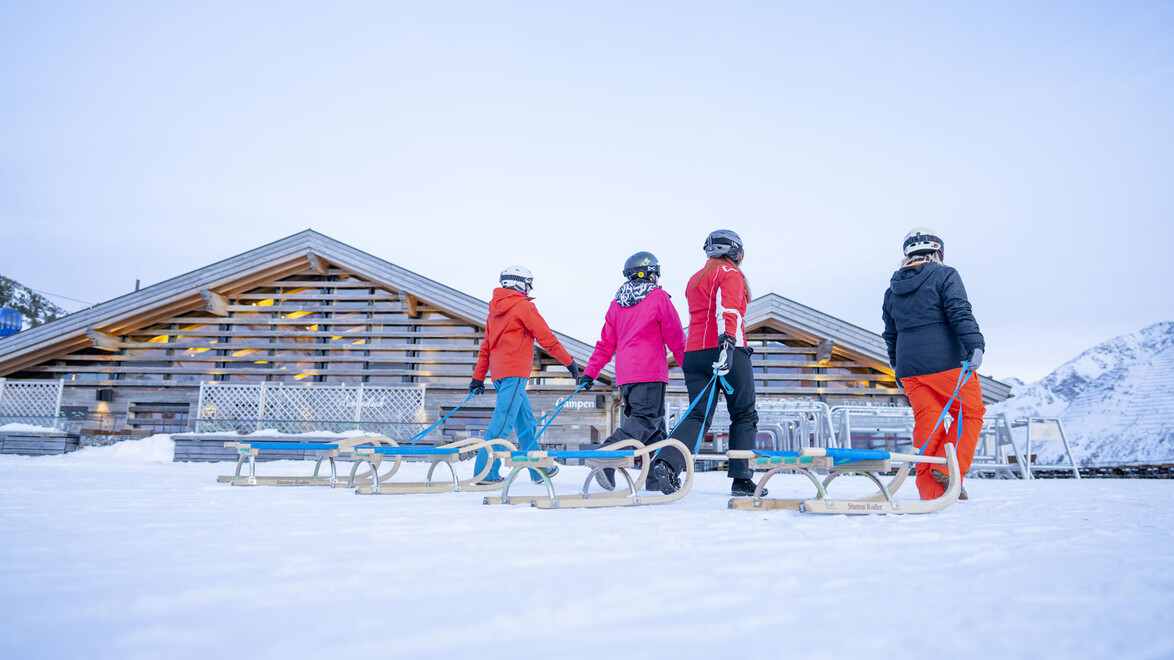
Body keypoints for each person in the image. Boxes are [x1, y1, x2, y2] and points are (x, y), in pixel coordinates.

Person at [882, 227, 986, 500]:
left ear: (907, 255)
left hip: (909, 368)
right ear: (938, 252)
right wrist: (975, 344)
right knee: (970, 414)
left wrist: (896, 367)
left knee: (928, 425)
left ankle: (931, 491)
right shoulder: (945, 274)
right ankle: (950, 472)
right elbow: (959, 310)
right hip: (946, 361)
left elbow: (890, 334)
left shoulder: (892, 290)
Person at [662, 230, 766, 497]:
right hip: (725, 350)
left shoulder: (695, 278)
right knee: (744, 414)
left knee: (698, 414)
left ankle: (666, 464)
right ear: (735, 252)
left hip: (694, 353)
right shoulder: (730, 275)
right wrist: (728, 344)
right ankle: (741, 480)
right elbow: (728, 310)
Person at [578, 251, 687, 493]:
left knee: (655, 428)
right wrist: (691, 371)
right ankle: (608, 455)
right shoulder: (658, 298)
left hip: (626, 377)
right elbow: (677, 339)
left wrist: (590, 373)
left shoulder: (617, 304)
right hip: (650, 372)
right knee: (646, 420)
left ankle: (656, 480)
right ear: (650, 274)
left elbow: (606, 343)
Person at [470, 265, 580, 484]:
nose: (531, 289)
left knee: (525, 423)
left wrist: (479, 377)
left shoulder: (495, 310)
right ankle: (485, 474)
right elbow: (546, 338)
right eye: (529, 283)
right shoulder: (523, 307)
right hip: (515, 373)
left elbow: (486, 347)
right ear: (519, 283)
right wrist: (569, 362)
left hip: (501, 375)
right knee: (501, 425)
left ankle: (538, 469)